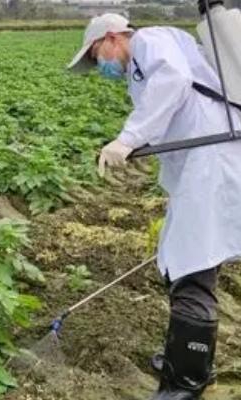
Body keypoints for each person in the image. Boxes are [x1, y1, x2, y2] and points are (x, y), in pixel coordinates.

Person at [67, 12, 241, 400]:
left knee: (192, 266)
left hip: (212, 166)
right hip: (202, 167)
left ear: (112, 37)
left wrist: (128, 138)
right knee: (179, 259)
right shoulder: (141, 67)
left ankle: (187, 382)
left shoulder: (150, 41)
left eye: (97, 56)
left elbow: (174, 81)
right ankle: (188, 358)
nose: (101, 67)